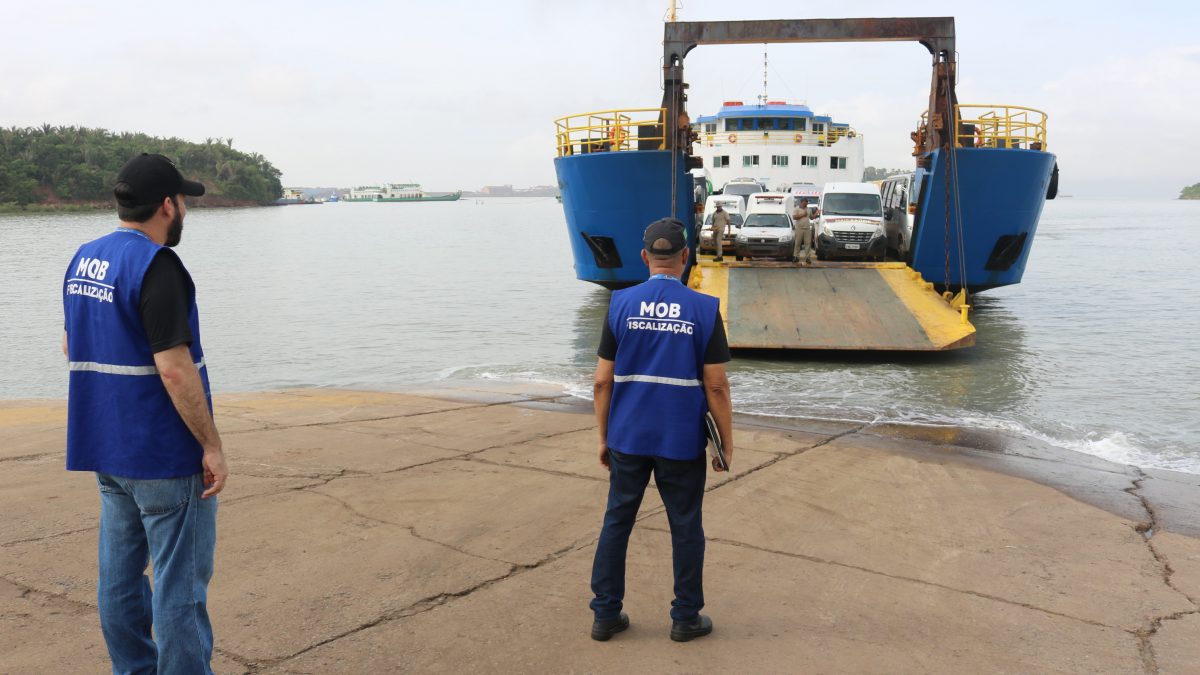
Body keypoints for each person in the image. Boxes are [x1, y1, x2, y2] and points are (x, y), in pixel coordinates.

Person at [62, 153, 228, 674]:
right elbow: (175, 369)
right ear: (166, 206)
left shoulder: (84, 258)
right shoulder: (157, 266)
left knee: (118, 580)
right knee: (179, 590)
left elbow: (72, 345)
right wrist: (211, 445)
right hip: (162, 454)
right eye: (183, 202)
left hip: (107, 450)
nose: (185, 211)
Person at [589, 218, 734, 643]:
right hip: (680, 439)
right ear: (686, 257)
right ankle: (685, 618)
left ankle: (605, 614)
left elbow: (601, 381)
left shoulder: (620, 305)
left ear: (644, 257)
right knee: (686, 526)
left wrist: (604, 437)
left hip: (628, 437)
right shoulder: (704, 309)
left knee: (617, 521)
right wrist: (725, 443)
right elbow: (716, 386)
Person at [791, 198, 815, 264]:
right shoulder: (797, 209)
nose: (806, 204)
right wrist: (803, 215)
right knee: (797, 243)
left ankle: (808, 258)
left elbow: (811, 217)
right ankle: (796, 257)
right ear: (801, 202)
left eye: (807, 203)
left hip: (807, 229)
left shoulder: (809, 209)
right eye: (805, 203)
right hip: (799, 228)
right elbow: (794, 217)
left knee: (808, 244)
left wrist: (816, 214)